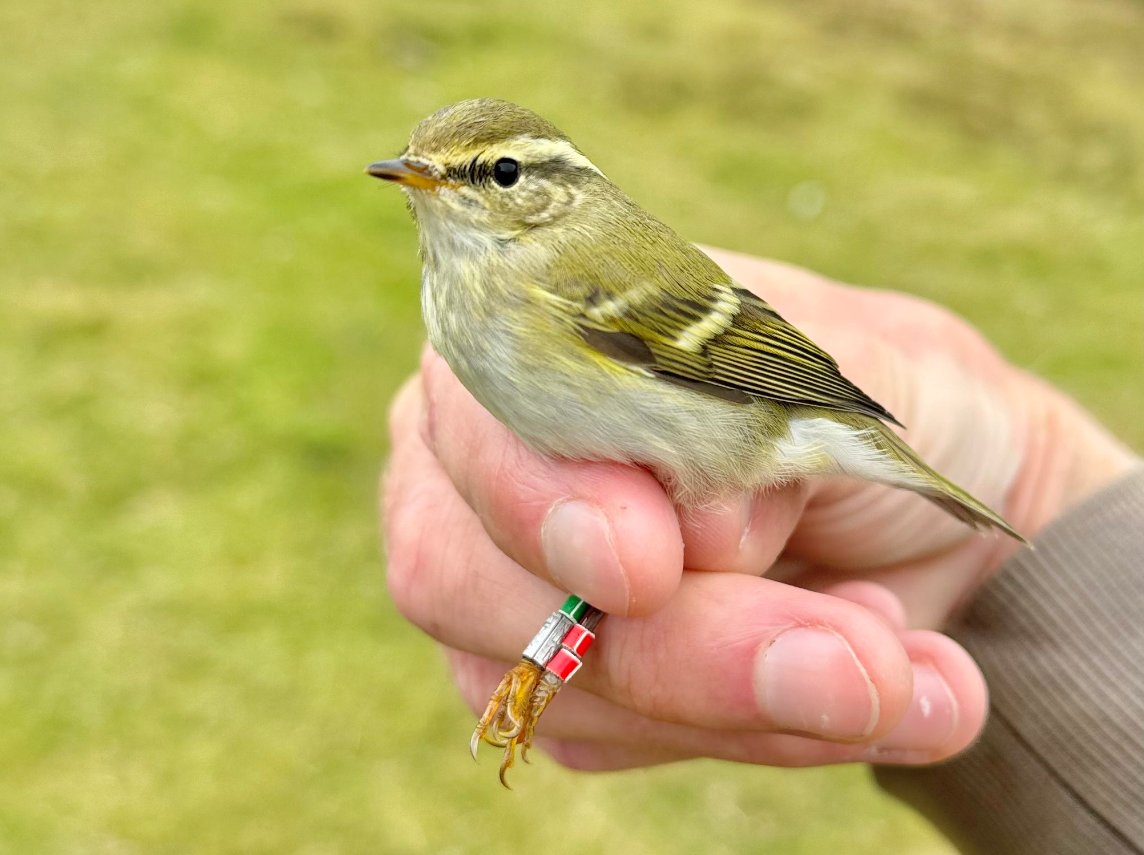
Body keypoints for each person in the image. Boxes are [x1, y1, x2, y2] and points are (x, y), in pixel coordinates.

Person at [382, 248, 1143, 852]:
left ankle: (549, 655)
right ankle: (549, 655)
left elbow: (731, 344)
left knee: (636, 542)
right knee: (616, 543)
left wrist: (1043, 494)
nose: (429, 183)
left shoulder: (561, 279)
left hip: (754, 411)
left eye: (499, 173)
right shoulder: (468, 296)